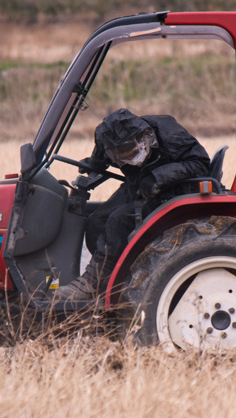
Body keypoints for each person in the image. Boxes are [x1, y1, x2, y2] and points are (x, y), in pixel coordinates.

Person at [53, 108, 210, 303]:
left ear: (144, 139)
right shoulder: (105, 137)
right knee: (97, 221)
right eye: (123, 155)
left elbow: (201, 164)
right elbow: (100, 158)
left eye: (133, 151)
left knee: (118, 221)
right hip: (138, 183)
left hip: (171, 188)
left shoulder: (170, 133)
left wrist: (159, 176)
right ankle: (112, 275)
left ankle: (92, 284)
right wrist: (93, 164)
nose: (131, 158)